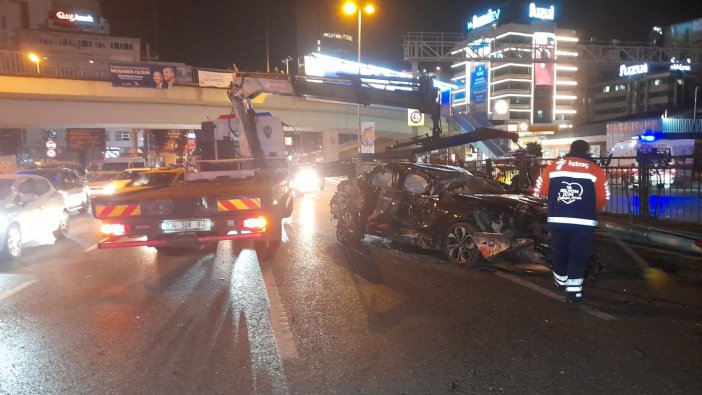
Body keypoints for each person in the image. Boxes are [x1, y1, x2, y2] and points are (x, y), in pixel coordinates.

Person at [534, 140, 610, 305]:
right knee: (578, 255)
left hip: (558, 219)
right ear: (587, 151)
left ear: (571, 150)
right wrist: (591, 207)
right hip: (584, 221)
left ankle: (560, 281)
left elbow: (540, 188)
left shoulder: (556, 165)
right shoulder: (595, 169)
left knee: (559, 251)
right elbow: (604, 197)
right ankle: (573, 294)